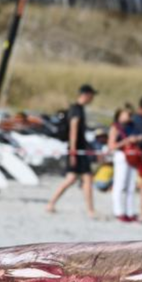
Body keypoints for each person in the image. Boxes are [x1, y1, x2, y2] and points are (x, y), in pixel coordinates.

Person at [46, 84, 98, 217]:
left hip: (77, 149)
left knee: (72, 178)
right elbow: (73, 131)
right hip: (76, 149)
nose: (92, 98)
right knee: (85, 178)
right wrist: (74, 151)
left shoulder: (77, 109)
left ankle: (51, 203)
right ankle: (90, 210)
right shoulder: (76, 109)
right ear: (86, 94)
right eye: (92, 95)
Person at [108, 106, 139, 222]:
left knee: (131, 186)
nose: (129, 117)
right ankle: (119, 211)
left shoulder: (132, 126)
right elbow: (111, 146)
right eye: (127, 114)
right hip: (121, 155)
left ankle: (130, 212)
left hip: (132, 156)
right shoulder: (115, 127)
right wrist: (126, 141)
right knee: (119, 185)